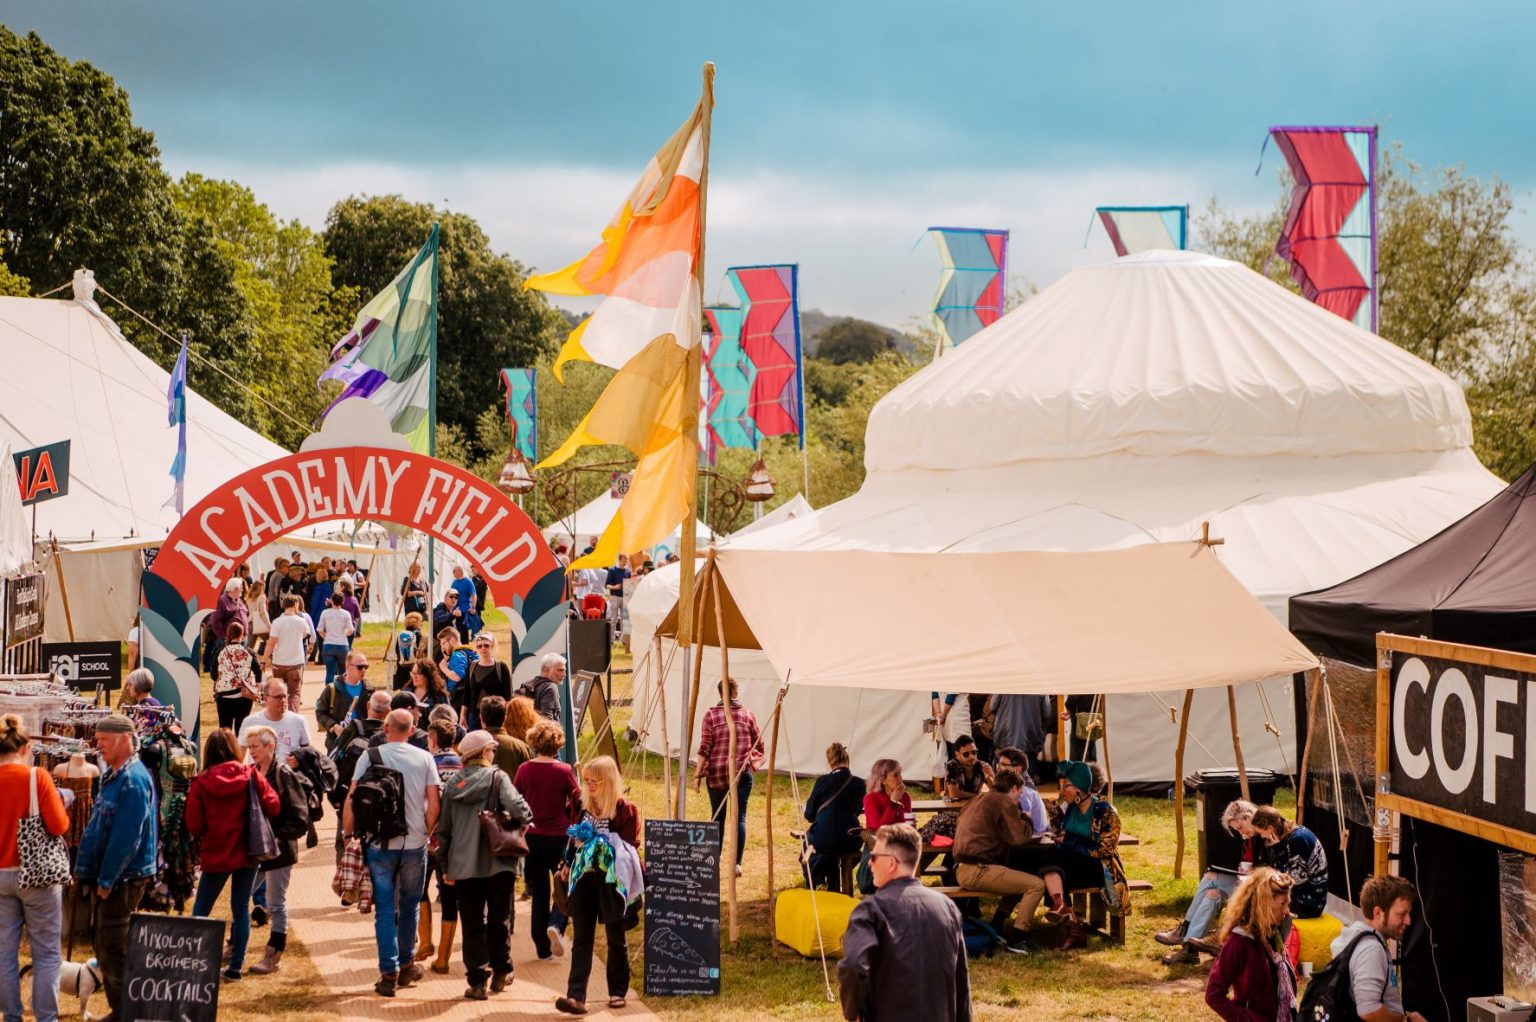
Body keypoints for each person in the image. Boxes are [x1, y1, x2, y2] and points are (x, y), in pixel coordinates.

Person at [343, 709, 443, 998]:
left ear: (386, 727)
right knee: (410, 906)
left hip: (379, 843)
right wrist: (425, 832)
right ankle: (407, 963)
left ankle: (388, 972)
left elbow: (352, 798)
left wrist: (348, 836)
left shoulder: (370, 756)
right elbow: (434, 801)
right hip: (414, 844)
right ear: (412, 730)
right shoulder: (424, 758)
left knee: (384, 909)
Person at [838, 823, 971, 1022]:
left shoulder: (870, 911)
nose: (869, 863)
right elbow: (961, 980)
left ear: (891, 863)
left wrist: (852, 1011)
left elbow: (854, 965)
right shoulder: (947, 907)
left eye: (873, 857)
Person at [437, 730, 530, 1000]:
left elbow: (444, 830)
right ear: (484, 753)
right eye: (491, 750)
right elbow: (521, 811)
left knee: (472, 923)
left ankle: (477, 980)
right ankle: (501, 971)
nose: (493, 753)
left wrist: (444, 865)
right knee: (500, 918)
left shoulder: (452, 784)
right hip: (498, 861)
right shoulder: (498, 778)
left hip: (462, 864)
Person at [74, 714, 156, 1021]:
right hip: (114, 876)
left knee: (113, 948)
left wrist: (106, 880)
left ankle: (126, 1012)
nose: (98, 746)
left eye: (104, 740)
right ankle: (120, 1009)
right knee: (105, 945)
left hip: (123, 879)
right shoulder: (117, 774)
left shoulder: (133, 780)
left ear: (123, 740)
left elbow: (125, 838)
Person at [187, 728, 279, 981]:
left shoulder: (202, 781)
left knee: (201, 909)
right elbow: (273, 804)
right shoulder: (250, 775)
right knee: (240, 907)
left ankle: (194, 961)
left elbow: (193, 823)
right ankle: (236, 966)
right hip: (248, 850)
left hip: (216, 851)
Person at [555, 755, 639, 1016]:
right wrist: (567, 863)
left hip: (611, 879)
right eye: (587, 780)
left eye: (595, 781)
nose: (589, 785)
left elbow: (630, 848)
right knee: (582, 938)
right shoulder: (582, 806)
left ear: (608, 781)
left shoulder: (624, 809)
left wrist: (602, 844)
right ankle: (575, 996)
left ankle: (617, 991)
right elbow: (572, 840)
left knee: (616, 936)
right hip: (583, 878)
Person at [0, 715, 69, 1022]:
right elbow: (58, 825)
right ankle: (46, 1018)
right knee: (46, 953)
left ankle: (11, 1016)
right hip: (37, 874)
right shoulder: (36, 777)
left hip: (0, 875)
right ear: (26, 747)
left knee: (4, 954)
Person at [240, 725, 309, 976]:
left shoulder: (283, 773)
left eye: (255, 747)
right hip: (256, 850)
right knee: (241, 896)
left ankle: (273, 954)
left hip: (279, 851)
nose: (251, 752)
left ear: (270, 746)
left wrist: (276, 838)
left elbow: (300, 817)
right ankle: (235, 945)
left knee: (275, 902)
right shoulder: (252, 773)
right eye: (248, 748)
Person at [1040, 761, 1130, 950]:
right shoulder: (1071, 808)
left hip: (1098, 868)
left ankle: (1070, 923)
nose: (1062, 790)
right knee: (1048, 864)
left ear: (1079, 788)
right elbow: (1062, 833)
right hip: (1073, 863)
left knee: (1051, 867)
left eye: (1066, 786)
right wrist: (1054, 815)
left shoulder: (1105, 811)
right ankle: (1072, 925)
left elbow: (1106, 849)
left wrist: (1070, 841)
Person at [952, 768, 1043, 952]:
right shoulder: (1004, 801)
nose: (1020, 797)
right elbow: (1019, 837)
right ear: (1014, 789)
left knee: (1020, 877)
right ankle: (1018, 939)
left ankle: (997, 925)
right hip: (978, 870)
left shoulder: (977, 799)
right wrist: (1027, 818)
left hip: (964, 868)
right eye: (1020, 793)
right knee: (1036, 885)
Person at [1158, 799, 1259, 962]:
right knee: (1213, 894)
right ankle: (1190, 947)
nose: (1241, 833)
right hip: (1248, 882)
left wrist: (1251, 871)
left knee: (1211, 877)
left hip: (1258, 887)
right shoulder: (1250, 838)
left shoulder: (1262, 836)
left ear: (1248, 817)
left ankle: (1186, 933)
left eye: (1240, 828)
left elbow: (1267, 869)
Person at [515, 720, 581, 962]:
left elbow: (516, 799)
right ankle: (557, 922)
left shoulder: (524, 769)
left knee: (540, 890)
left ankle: (541, 946)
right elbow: (576, 801)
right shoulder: (564, 771)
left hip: (533, 836)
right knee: (565, 883)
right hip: (559, 836)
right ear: (557, 744)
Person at [1205, 867, 1298, 1022]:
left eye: (1288, 903)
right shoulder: (1239, 942)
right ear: (1263, 904)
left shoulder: (1274, 936)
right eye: (1282, 904)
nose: (1287, 911)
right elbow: (1213, 995)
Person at [1329, 874, 1426, 1022]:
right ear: (1378, 913)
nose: (1408, 921)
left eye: (1408, 913)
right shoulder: (1371, 949)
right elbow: (1369, 1011)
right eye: (1401, 914)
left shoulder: (1356, 937)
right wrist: (1404, 1020)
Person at [694, 678, 763, 874]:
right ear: (736, 692)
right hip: (741, 773)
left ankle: (714, 859)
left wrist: (698, 775)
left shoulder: (710, 715)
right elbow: (760, 744)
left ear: (719, 693)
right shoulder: (748, 715)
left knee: (718, 818)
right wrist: (751, 760)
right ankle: (736, 864)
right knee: (739, 817)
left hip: (716, 773)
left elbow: (704, 747)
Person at [802, 742, 866, 893]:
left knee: (812, 845)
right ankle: (831, 887)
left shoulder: (823, 781)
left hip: (825, 838)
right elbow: (857, 810)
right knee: (829, 849)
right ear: (847, 759)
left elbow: (809, 814)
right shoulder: (859, 784)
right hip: (851, 838)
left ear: (830, 762)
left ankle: (818, 881)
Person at [1251, 805, 1327, 920]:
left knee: (1259, 905)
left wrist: (1278, 850)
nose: (1262, 837)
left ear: (1270, 828)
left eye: (1261, 832)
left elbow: (1290, 880)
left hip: (1309, 903)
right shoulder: (1288, 836)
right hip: (1300, 894)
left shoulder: (1298, 839)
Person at [921, 734, 994, 843]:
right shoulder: (952, 766)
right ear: (957, 755)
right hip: (951, 813)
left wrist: (991, 777)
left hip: (971, 814)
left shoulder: (981, 766)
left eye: (974, 752)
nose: (971, 757)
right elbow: (954, 794)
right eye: (966, 754)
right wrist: (976, 796)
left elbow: (996, 792)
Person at [315, 652, 375, 752]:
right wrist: (334, 726)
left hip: (363, 743)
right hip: (338, 744)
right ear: (347, 666)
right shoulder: (332, 689)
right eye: (360, 667)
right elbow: (320, 712)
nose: (364, 670)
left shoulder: (369, 689)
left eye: (366, 666)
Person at [239, 679, 312, 759]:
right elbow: (239, 756)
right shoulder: (250, 722)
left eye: (284, 696)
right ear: (265, 698)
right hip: (259, 771)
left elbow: (308, 753)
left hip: (289, 771)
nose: (283, 701)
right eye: (278, 697)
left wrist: (298, 761)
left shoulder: (298, 721)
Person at [264, 595, 313, 711]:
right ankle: (292, 717)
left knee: (279, 693)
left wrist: (264, 660)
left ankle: (279, 715)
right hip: (295, 662)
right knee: (294, 693)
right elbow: (306, 635)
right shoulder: (301, 621)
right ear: (295, 605)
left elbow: (271, 643)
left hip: (278, 662)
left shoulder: (276, 622)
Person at [986, 695, 1051, 779]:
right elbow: (1047, 713)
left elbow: (993, 706)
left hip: (1005, 737)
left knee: (1002, 781)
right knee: (1026, 780)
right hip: (1030, 737)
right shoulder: (1041, 686)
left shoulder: (1002, 683)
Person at [458, 632, 512, 731]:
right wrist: (462, 715)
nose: (483, 648)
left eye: (486, 645)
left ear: (493, 646)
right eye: (479, 646)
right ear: (476, 649)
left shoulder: (501, 667)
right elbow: (467, 694)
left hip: (495, 718)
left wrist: (506, 718)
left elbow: (507, 697)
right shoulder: (471, 666)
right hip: (474, 717)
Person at [214, 621, 260, 730]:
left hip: (223, 696)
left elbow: (212, 675)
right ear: (242, 634)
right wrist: (257, 687)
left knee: (225, 731)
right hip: (243, 695)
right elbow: (258, 671)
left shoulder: (220, 652)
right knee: (241, 729)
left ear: (228, 634)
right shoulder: (248, 652)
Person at [205, 577, 249, 676]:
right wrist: (224, 637)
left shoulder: (238, 600)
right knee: (228, 666)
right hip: (229, 639)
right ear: (235, 589)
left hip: (241, 638)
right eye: (240, 588)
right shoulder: (222, 600)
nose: (242, 590)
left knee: (240, 665)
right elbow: (214, 621)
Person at [480, 696, 532, 779]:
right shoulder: (520, 746)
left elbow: (462, 781)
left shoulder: (471, 744)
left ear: (481, 718)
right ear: (505, 718)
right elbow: (528, 778)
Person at [317, 591, 355, 688]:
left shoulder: (325, 613)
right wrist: (344, 634)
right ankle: (342, 691)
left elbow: (320, 629)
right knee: (343, 672)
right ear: (342, 602)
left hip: (328, 644)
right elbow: (351, 629)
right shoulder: (346, 614)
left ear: (332, 601)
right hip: (342, 645)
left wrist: (326, 636)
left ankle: (329, 692)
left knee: (330, 671)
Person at [863, 759, 912, 830]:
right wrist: (893, 802)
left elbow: (909, 824)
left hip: (903, 838)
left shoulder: (905, 796)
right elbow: (879, 829)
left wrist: (911, 825)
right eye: (895, 775)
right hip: (882, 839)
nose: (900, 777)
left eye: (900, 773)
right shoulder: (871, 798)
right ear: (883, 780)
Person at [519, 654, 565, 723]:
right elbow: (547, 722)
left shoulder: (529, 684)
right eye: (560, 670)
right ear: (546, 670)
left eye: (564, 670)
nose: (564, 674)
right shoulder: (550, 687)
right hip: (543, 732)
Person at [929, 691, 971, 763]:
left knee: (948, 753)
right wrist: (943, 715)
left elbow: (935, 693)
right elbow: (952, 693)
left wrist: (938, 713)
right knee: (961, 752)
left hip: (945, 718)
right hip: (957, 717)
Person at [436, 627, 472, 695]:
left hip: (458, 695)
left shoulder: (457, 655)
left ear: (452, 640)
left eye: (443, 643)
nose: (442, 647)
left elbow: (457, 676)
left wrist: (444, 668)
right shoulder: (468, 651)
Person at [394, 612, 425, 689]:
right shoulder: (418, 634)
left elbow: (397, 650)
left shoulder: (401, 634)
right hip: (413, 667)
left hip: (402, 667)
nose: (422, 624)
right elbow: (420, 650)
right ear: (416, 622)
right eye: (421, 621)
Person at [603, 554, 630, 637]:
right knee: (613, 619)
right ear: (619, 559)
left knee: (624, 620)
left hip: (625, 598)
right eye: (624, 560)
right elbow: (606, 585)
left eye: (626, 560)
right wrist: (615, 587)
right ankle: (611, 639)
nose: (625, 561)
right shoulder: (612, 570)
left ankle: (624, 640)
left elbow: (629, 585)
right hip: (615, 597)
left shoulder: (628, 572)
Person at [245, 580, 271, 656]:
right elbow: (262, 612)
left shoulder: (249, 598)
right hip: (260, 624)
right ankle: (268, 659)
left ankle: (245, 662)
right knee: (271, 640)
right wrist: (269, 625)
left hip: (250, 623)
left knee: (249, 647)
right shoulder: (262, 597)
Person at [307, 567, 334, 632]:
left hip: (318, 613)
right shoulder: (329, 587)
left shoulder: (318, 589)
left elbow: (314, 604)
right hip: (327, 611)